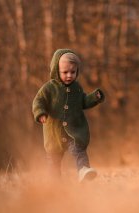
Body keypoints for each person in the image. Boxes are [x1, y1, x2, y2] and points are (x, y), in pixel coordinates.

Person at [32, 48, 105, 182]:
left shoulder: (77, 88)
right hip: (54, 132)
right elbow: (38, 101)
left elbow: (83, 101)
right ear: (56, 70)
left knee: (79, 150)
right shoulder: (49, 88)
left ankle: (83, 170)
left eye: (73, 72)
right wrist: (40, 112)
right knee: (53, 160)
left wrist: (94, 97)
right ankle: (54, 183)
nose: (69, 75)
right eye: (65, 72)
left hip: (73, 132)